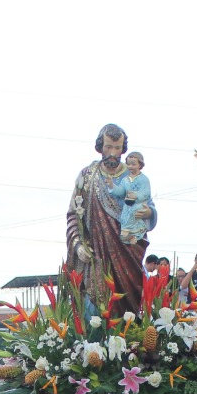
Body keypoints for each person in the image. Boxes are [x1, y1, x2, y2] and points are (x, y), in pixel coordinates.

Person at [65, 123, 156, 314]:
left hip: (127, 252)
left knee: (128, 310)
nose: (113, 153)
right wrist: (78, 245)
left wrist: (148, 213)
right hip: (96, 257)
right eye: (108, 147)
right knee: (95, 310)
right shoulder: (87, 176)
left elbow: (150, 210)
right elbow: (74, 214)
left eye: (117, 148)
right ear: (100, 147)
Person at [110, 150, 152, 244]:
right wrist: (112, 186)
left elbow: (146, 193)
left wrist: (136, 195)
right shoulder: (125, 180)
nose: (130, 167)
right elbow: (121, 191)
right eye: (128, 164)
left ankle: (135, 236)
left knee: (133, 214)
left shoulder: (144, 179)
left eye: (133, 164)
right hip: (128, 204)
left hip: (139, 204)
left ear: (140, 165)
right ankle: (125, 236)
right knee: (124, 217)